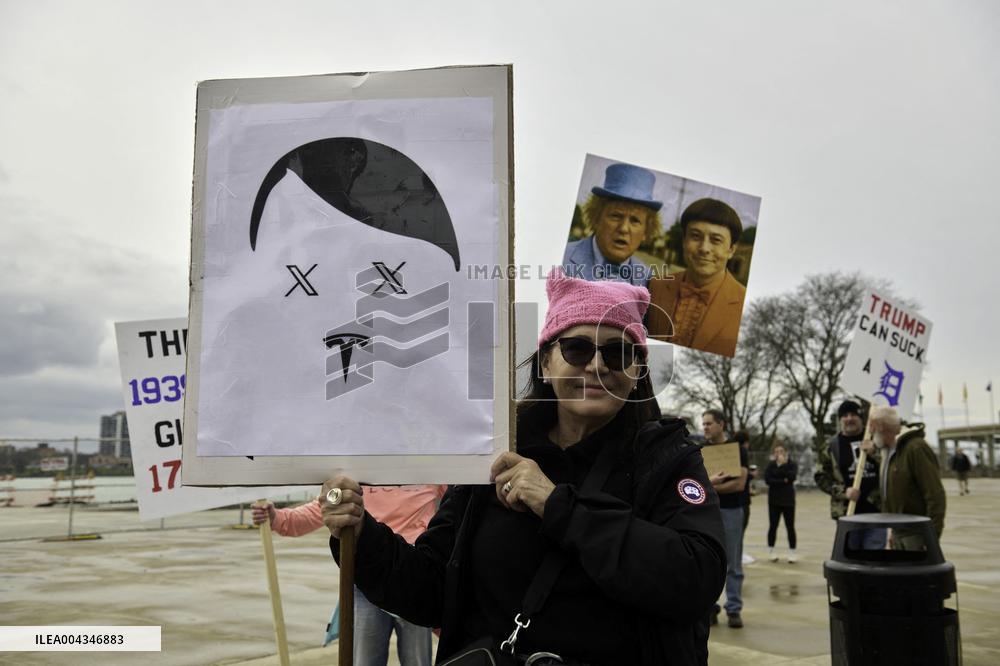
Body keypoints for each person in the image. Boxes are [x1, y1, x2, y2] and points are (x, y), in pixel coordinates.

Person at [321, 271, 726, 665]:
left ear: (637, 372)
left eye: (619, 353)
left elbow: (696, 578)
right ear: (546, 363)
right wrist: (360, 534)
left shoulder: (667, 458)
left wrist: (557, 504)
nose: (598, 366)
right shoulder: (496, 456)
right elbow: (430, 591)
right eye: (578, 349)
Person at [253, 485, 446, 666]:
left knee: (417, 661)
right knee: (365, 661)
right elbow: (321, 509)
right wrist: (276, 518)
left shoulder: (428, 464)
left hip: (415, 583)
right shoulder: (357, 468)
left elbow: (461, 505)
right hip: (368, 581)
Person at [646, 198, 747, 356]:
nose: (704, 248)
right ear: (684, 241)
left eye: (716, 240)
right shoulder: (655, 286)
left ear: (731, 250)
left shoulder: (745, 304)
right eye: (695, 236)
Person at [562, 163, 663, 286]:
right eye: (616, 216)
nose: (624, 228)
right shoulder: (561, 259)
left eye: (635, 220)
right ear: (596, 218)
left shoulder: (650, 281)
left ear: (646, 232)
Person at [865, 406, 946, 550]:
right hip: (899, 532)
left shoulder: (916, 448)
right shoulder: (888, 452)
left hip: (917, 534)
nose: (870, 433)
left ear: (882, 427)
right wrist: (893, 529)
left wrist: (931, 538)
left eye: (872, 428)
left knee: (917, 573)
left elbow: (935, 496)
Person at [814, 400, 885, 550]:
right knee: (851, 561)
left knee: (875, 562)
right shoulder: (830, 447)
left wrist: (875, 453)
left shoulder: (877, 439)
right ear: (840, 420)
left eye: (853, 414)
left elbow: (893, 467)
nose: (849, 418)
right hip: (848, 514)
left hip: (876, 512)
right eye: (845, 415)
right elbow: (821, 477)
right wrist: (843, 492)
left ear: (861, 418)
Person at [703, 409, 748, 628]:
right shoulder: (701, 451)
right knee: (708, 561)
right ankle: (710, 608)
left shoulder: (737, 450)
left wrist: (711, 487)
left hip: (732, 511)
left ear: (722, 425)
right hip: (707, 512)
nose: (705, 428)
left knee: (733, 562)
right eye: (703, 424)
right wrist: (712, 487)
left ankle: (734, 608)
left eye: (709, 423)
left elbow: (740, 484)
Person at [764, 441, 798, 563]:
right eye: (777, 452)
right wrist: (783, 480)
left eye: (781, 452)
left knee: (790, 527)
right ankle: (771, 551)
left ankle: (792, 552)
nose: (779, 454)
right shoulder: (771, 465)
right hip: (773, 501)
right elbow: (768, 480)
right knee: (773, 526)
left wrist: (783, 468)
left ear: (785, 453)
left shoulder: (791, 464)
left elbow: (792, 478)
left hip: (788, 501)